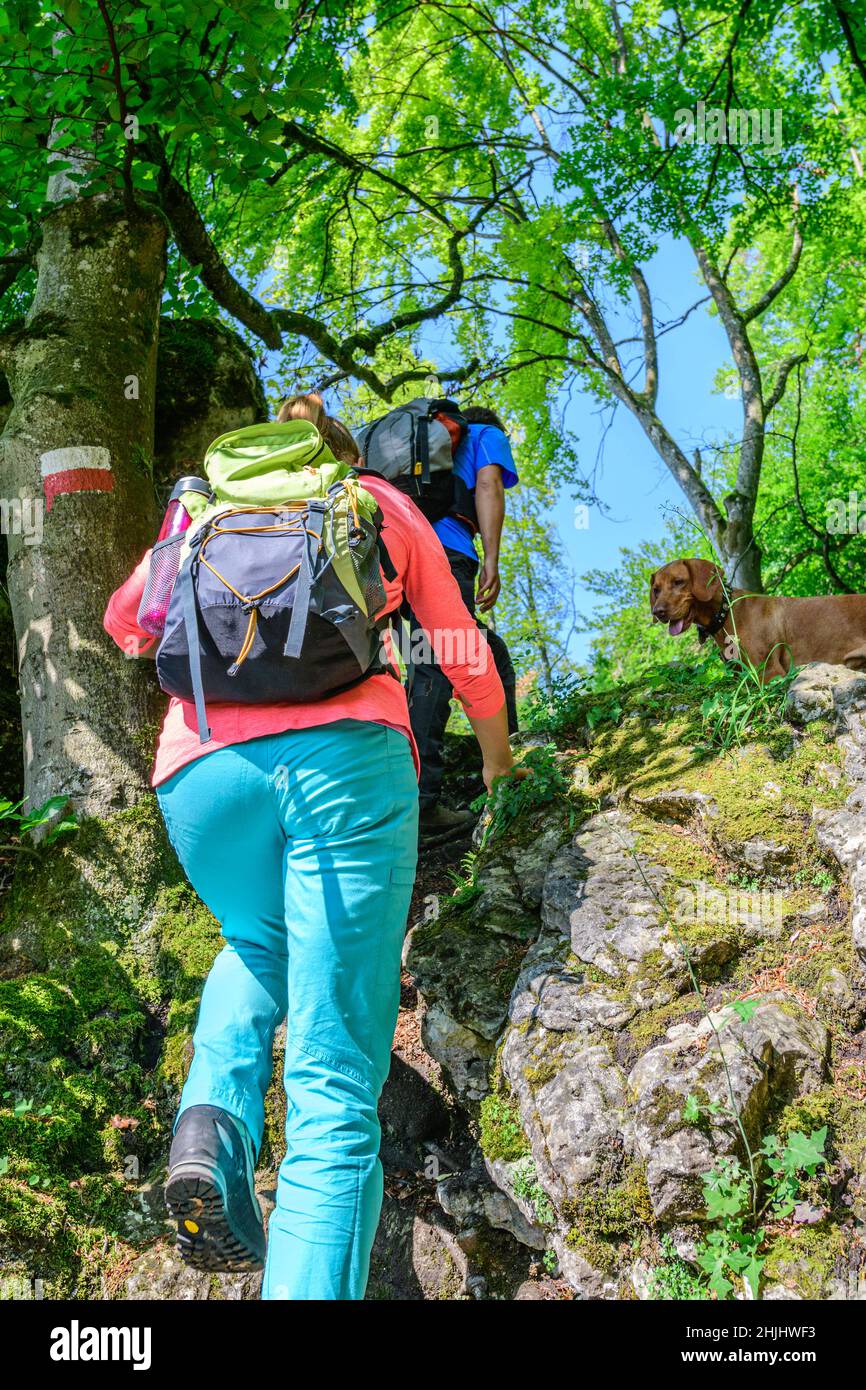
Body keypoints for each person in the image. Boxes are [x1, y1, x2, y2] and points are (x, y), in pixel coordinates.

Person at [102, 394, 515, 1300]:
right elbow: (456, 643)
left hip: (200, 776)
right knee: (333, 1097)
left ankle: (210, 1131)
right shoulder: (374, 503)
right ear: (343, 458)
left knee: (256, 946)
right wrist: (497, 761)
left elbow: (127, 625)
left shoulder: (205, 511)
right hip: (344, 770)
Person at [407, 405, 520, 840]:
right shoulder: (485, 433)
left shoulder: (422, 451)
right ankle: (420, 805)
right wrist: (492, 557)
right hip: (447, 556)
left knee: (488, 653)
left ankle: (504, 755)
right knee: (436, 663)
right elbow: (489, 485)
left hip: (399, 554)